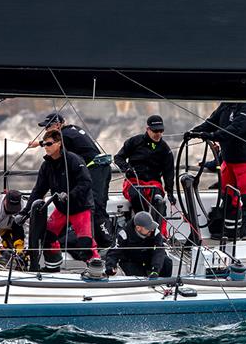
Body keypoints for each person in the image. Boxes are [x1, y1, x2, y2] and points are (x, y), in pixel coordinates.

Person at [21, 129, 103, 272]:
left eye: (49, 144)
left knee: (85, 242)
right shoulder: (46, 166)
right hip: (62, 208)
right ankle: (53, 267)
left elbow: (86, 182)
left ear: (58, 144)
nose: (45, 147)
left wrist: (69, 196)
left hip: (80, 207)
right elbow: (38, 190)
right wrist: (25, 211)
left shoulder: (74, 160)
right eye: (44, 144)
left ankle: (96, 271)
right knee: (48, 236)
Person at [28, 112, 113, 247]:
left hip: (97, 169)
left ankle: (107, 243)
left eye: (48, 127)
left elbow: (58, 142)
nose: (46, 131)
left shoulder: (65, 135)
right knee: (91, 203)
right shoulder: (72, 129)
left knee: (96, 205)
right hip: (98, 168)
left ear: (57, 125)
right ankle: (87, 238)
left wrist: (38, 143)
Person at [186, 102, 246, 240]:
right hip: (228, 160)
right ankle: (231, 232)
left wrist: (211, 136)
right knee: (227, 197)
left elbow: (236, 129)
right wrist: (194, 132)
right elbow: (211, 122)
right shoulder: (225, 105)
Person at [114, 115, 176, 236]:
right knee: (137, 196)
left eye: (161, 131)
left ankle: (160, 235)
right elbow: (118, 157)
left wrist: (170, 193)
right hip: (134, 181)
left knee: (159, 201)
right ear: (147, 129)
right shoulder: (134, 141)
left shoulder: (165, 149)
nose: (158, 134)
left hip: (154, 183)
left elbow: (169, 172)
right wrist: (126, 168)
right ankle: (140, 231)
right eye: (155, 131)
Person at [104, 211, 172, 279]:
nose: (151, 230)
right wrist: (110, 267)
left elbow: (159, 251)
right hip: (131, 260)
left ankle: (165, 284)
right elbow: (114, 252)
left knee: (167, 262)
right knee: (133, 271)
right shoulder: (124, 234)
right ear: (138, 228)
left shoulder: (155, 232)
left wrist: (155, 270)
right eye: (148, 228)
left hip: (148, 258)